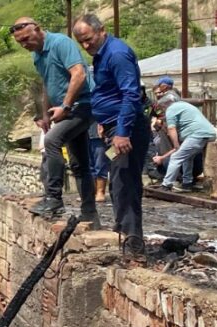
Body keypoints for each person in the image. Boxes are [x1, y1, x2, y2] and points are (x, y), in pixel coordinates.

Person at [73, 13, 150, 254]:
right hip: (112, 125)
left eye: (89, 39)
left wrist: (122, 131)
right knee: (118, 181)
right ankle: (124, 235)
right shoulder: (102, 55)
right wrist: (104, 122)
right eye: (82, 42)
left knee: (125, 183)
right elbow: (109, 92)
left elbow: (130, 94)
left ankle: (133, 243)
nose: (87, 46)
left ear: (101, 30)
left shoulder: (116, 54)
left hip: (125, 127)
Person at [11, 17, 96, 222]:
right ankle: (89, 214)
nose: (24, 45)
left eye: (27, 39)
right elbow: (47, 83)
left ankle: (54, 198)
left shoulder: (60, 43)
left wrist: (65, 106)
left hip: (82, 105)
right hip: (66, 109)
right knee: (79, 164)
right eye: (20, 42)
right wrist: (45, 113)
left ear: (38, 29)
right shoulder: (37, 56)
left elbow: (79, 74)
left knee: (51, 141)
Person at [154, 91, 217, 192]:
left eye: (163, 107)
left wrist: (176, 145)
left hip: (197, 134)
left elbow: (171, 129)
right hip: (207, 133)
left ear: (167, 103)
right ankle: (187, 183)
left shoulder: (171, 109)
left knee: (175, 157)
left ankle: (166, 185)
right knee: (188, 158)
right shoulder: (185, 105)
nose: (163, 110)